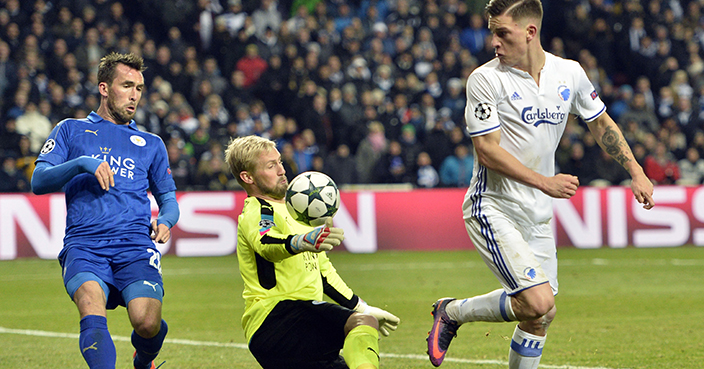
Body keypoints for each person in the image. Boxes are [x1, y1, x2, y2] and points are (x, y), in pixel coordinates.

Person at [426, 1, 655, 368]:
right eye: (493, 33)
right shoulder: (486, 79)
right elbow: (486, 151)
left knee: (539, 316)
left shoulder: (569, 73)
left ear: (530, 32)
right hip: (494, 206)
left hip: (538, 214)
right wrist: (544, 182)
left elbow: (600, 124)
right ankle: (452, 312)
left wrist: (635, 169)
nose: (494, 43)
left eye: (503, 32)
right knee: (538, 301)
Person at [31, 53, 179, 369]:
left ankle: (145, 359)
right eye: (127, 85)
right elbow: (39, 180)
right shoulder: (70, 130)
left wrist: (166, 220)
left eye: (139, 87)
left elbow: (168, 199)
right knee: (90, 309)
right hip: (84, 245)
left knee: (147, 324)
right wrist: (82, 164)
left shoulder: (151, 143)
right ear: (104, 88)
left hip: (135, 247)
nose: (135, 95)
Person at [224, 135, 399, 369]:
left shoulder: (298, 212)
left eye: (279, 162)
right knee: (361, 323)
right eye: (270, 165)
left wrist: (361, 307)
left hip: (300, 325)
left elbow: (324, 274)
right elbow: (266, 243)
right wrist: (302, 241)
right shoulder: (259, 210)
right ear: (248, 177)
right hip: (276, 318)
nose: (281, 170)